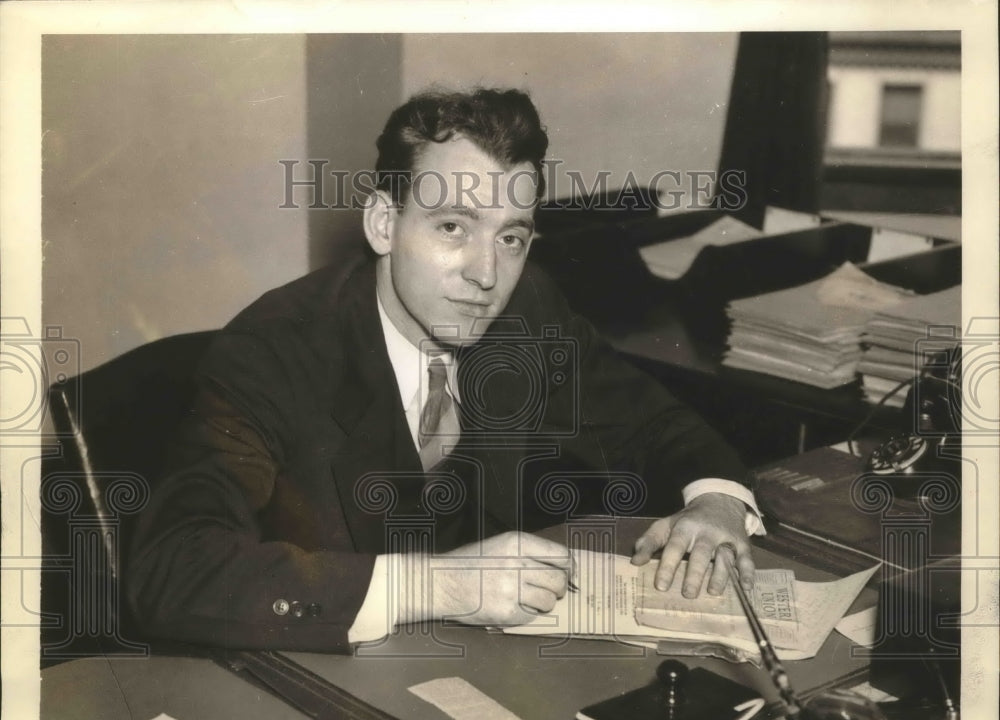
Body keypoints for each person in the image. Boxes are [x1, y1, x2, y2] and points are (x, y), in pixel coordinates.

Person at [127, 87, 763, 653]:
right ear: (384, 223)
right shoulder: (272, 352)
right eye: (454, 227)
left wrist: (716, 503)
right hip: (304, 679)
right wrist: (436, 585)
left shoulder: (528, 309)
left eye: (510, 237)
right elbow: (172, 570)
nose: (487, 276)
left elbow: (653, 422)